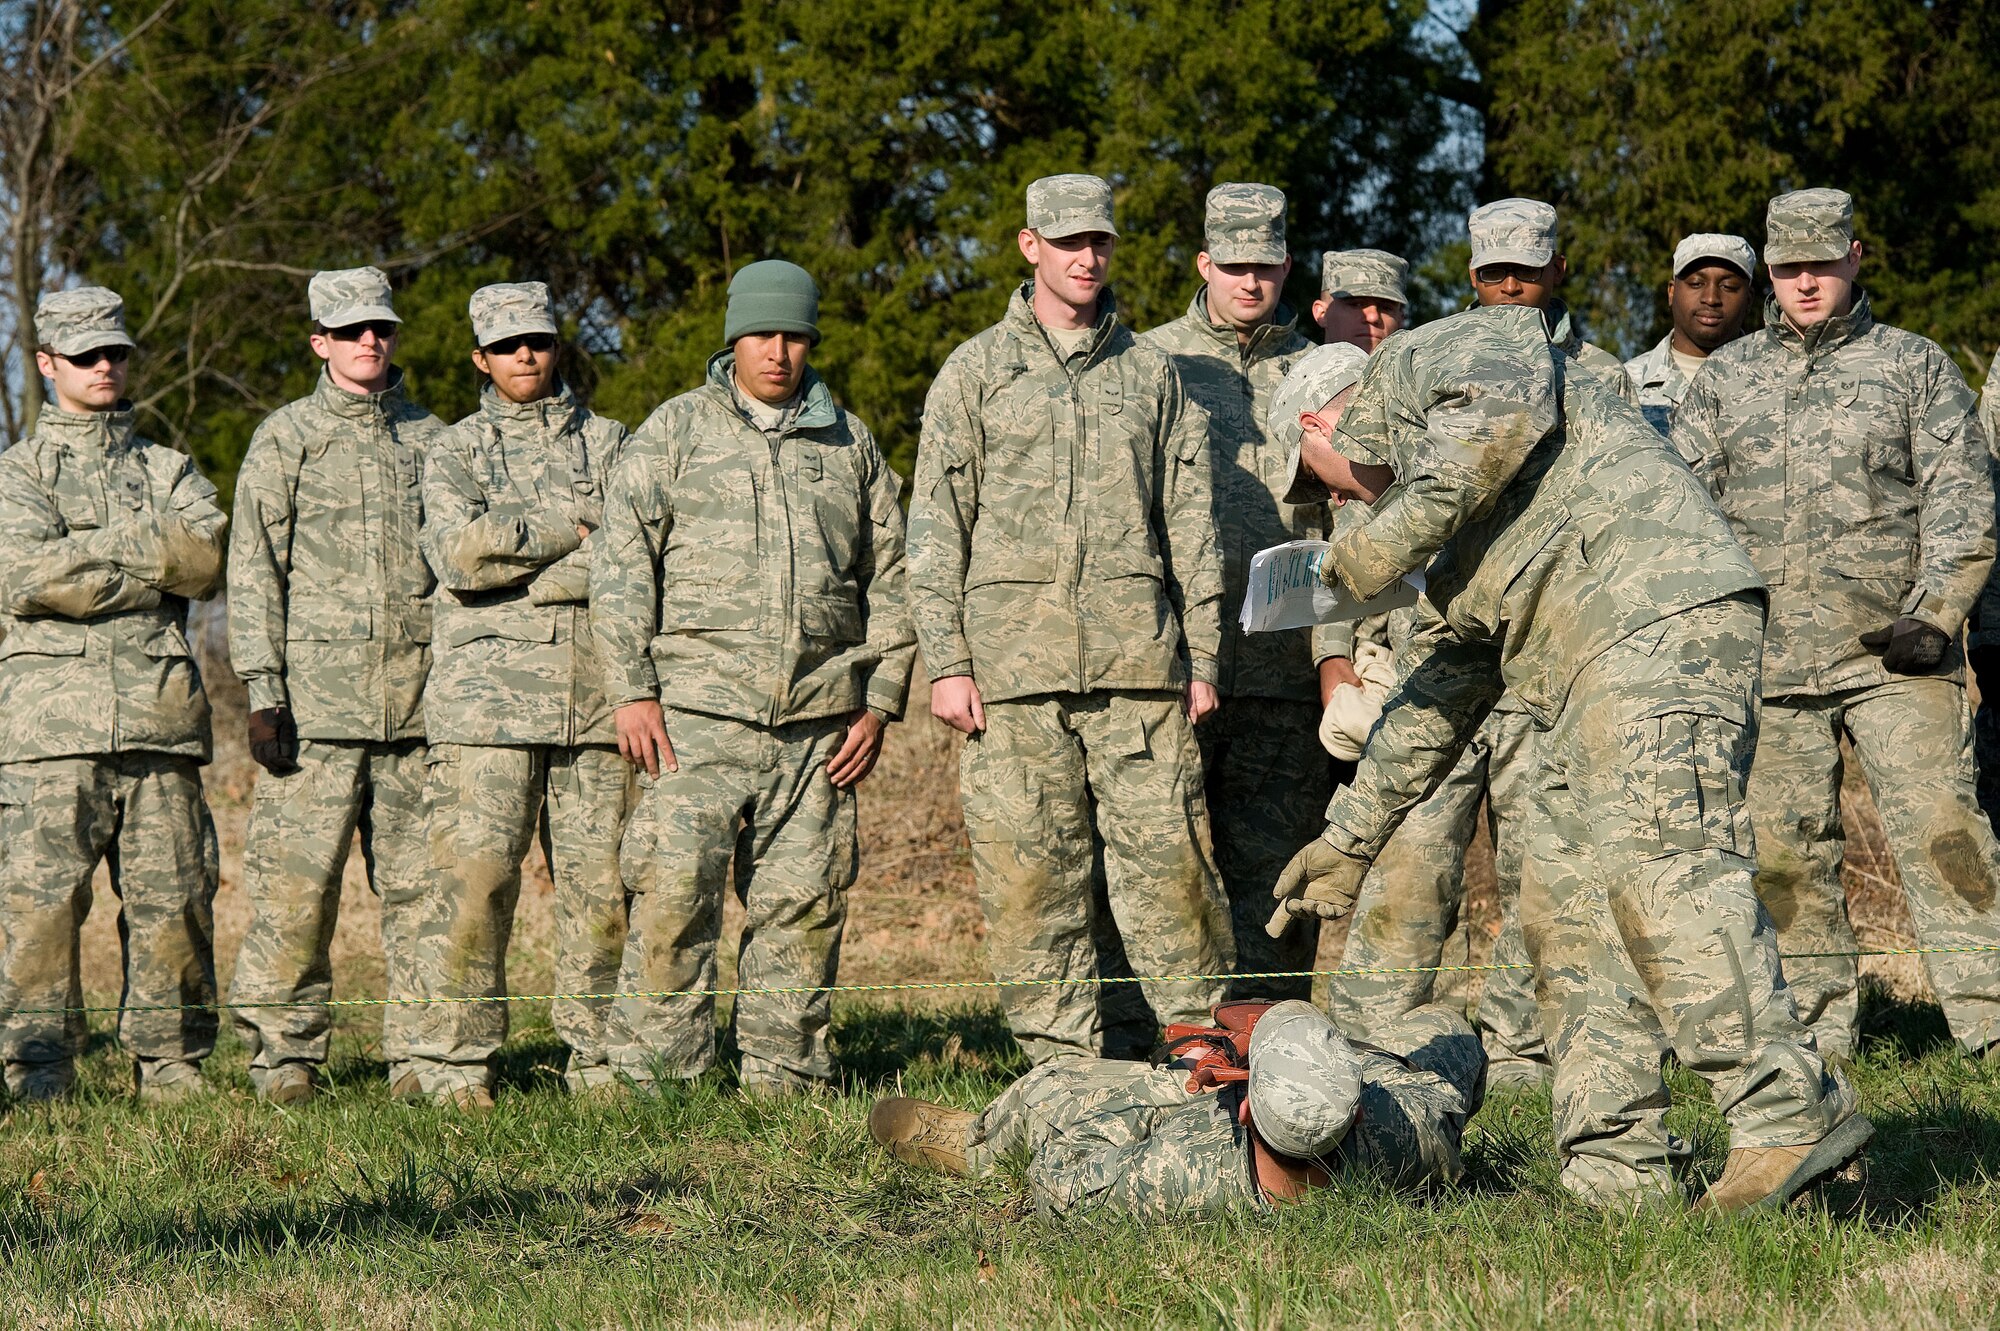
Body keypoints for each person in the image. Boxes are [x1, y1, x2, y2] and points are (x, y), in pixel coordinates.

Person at [1272, 301, 1868, 1213]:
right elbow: (1435, 695)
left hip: (1657, 619)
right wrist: (1347, 837)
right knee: (1562, 907)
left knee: (1661, 868)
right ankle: (1616, 1171)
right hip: (1579, 678)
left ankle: (1786, 1111)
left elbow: (1499, 404)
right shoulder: (1454, 542)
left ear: (1322, 422)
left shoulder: (1434, 357)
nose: (1343, 505)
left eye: (1325, 484)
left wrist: (1346, 567)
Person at [906, 174, 1234, 1064]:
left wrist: (1203, 656)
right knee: (1033, 885)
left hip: (1140, 669)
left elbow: (1191, 526)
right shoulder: (975, 373)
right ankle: (1061, 1073)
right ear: (1030, 247)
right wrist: (947, 661)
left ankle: (1195, 1060)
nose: (1086, 258)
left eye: (1100, 242)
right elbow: (936, 528)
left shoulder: (1152, 375)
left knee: (1171, 876)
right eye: (1067, 243)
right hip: (1012, 679)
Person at [1673, 188, 2000, 1062]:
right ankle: (1817, 1043)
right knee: (1785, 864)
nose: (1805, 283)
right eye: (1787, 268)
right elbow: (1687, 519)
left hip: (1900, 657)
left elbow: (1965, 499)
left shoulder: (1916, 366)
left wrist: (1934, 615)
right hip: (1768, 667)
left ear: (1856, 257)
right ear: (1768, 270)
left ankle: (1993, 1023)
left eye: (1821, 264)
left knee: (1948, 840)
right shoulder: (1725, 380)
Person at [594, 260, 914, 1095]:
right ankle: (658, 1077)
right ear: (732, 335)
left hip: (819, 723)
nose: (778, 351)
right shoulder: (674, 432)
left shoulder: (850, 443)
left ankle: (787, 1073)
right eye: (762, 334)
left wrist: (878, 701)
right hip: (694, 717)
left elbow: (895, 576)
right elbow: (623, 563)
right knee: (673, 899)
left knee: (803, 906)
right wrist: (631, 688)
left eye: (795, 335)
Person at [0, 287, 227, 1103]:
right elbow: (25, 575)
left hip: (160, 720)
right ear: (47, 364)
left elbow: (203, 561)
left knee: (176, 896)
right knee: (41, 907)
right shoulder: (17, 474)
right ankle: (39, 1068)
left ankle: (170, 1063)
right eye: (87, 355)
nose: (105, 366)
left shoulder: (169, 468)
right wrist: (144, 553)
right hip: (48, 730)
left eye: (116, 353)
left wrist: (83, 555)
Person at [411, 282, 633, 1102]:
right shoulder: (453, 451)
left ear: (557, 345)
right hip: (485, 707)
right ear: (480, 357)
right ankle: (455, 1061)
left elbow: (635, 552)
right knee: (475, 881)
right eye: (507, 346)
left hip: (598, 700)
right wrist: (570, 530)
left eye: (537, 340)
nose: (525, 355)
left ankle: (602, 1057)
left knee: (603, 886)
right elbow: (461, 557)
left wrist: (534, 580)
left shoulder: (614, 444)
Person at [227, 266, 443, 1105]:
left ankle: (425, 1055)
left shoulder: (436, 437)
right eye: (350, 331)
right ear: (319, 341)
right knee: (295, 891)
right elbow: (254, 569)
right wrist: (262, 688)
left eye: (380, 328)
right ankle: (284, 1056)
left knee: (425, 892)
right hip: (311, 715)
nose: (368, 342)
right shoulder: (286, 438)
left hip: (419, 709)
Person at [1138, 183, 1325, 1000]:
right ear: (1206, 262)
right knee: (1164, 868)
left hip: (1289, 667)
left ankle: (1271, 1050)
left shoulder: (1320, 371)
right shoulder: (1152, 362)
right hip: (1179, 663)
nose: (1252, 283)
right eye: (1236, 265)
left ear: (1288, 267)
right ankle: (1162, 1044)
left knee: (1280, 876)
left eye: (1268, 266)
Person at [868, 1000, 1483, 1218]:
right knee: (1438, 1025)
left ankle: (976, 1142)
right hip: (1304, 1115)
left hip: (1185, 1121)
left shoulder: (1172, 1176)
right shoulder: (1411, 1134)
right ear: (1354, 1110)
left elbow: (1057, 1180)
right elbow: (1448, 1067)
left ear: (1245, 1112)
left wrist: (1178, 1099)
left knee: (1051, 1088)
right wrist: (1317, 1062)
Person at [1466, 198, 1635, 402]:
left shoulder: (1604, 376)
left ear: (1556, 269)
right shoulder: (1433, 363)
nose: (1510, 287)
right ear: (1474, 275)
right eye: (1492, 272)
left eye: (1527, 270)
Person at [1624, 234, 1757, 433]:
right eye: (1696, 283)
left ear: (1748, 299)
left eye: (1728, 286)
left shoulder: (1776, 382)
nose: (1711, 298)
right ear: (1671, 292)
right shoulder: (1626, 385)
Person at [1313, 249, 1409, 353]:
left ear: (1401, 319)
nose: (1373, 317)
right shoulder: (1295, 367)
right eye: (1356, 304)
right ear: (1322, 313)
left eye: (1386, 308)